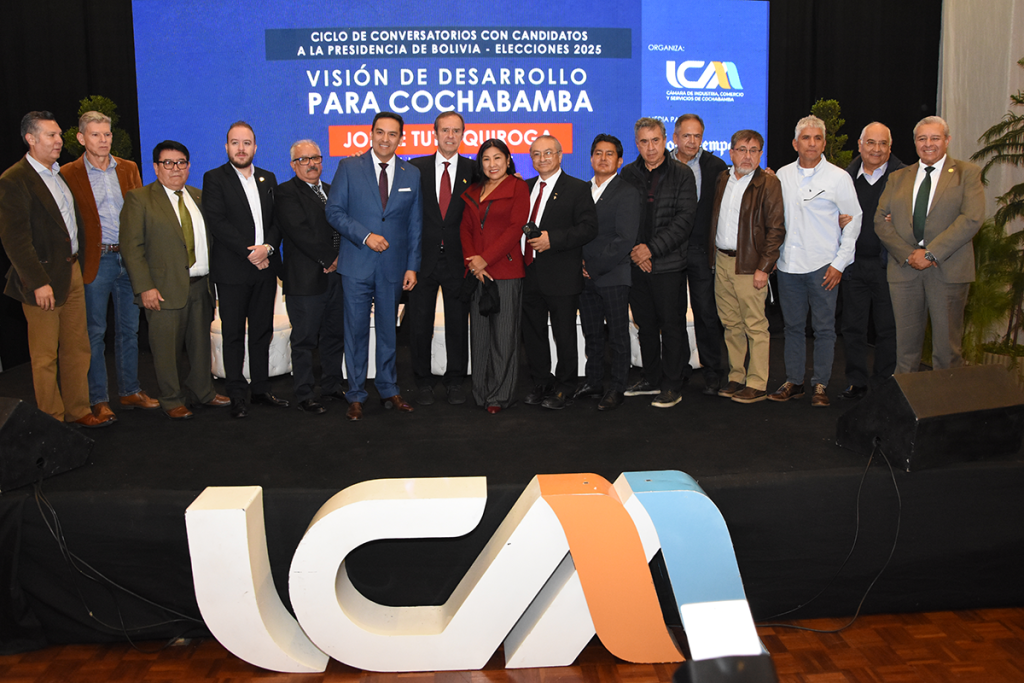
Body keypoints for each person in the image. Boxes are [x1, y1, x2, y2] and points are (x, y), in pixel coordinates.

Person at [0, 111, 109, 427]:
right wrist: (37, 282)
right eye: (51, 135)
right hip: (42, 280)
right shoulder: (14, 180)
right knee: (45, 356)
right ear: (30, 139)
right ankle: (52, 421)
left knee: (78, 348)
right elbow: (15, 240)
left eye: (60, 134)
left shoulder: (57, 174)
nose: (59, 141)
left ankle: (78, 410)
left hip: (72, 273)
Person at [119, 140, 230, 419]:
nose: (175, 168)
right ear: (156, 168)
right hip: (162, 290)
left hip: (201, 286)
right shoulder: (139, 199)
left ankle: (203, 392)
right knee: (166, 350)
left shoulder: (199, 197)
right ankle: (171, 399)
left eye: (181, 162)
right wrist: (145, 287)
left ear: (189, 166)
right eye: (168, 163)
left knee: (200, 346)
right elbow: (132, 248)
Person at [61, 111, 158, 423]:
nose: (103, 140)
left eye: (107, 134)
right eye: (95, 135)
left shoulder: (128, 168)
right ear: (81, 138)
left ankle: (130, 390)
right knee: (95, 332)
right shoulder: (68, 173)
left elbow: (140, 213)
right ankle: (99, 399)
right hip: (96, 261)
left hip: (129, 259)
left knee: (130, 329)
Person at [325, 111, 423, 421]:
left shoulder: (411, 173)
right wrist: (365, 236)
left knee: (388, 331)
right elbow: (334, 211)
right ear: (371, 133)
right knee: (355, 332)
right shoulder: (349, 167)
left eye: (392, 134)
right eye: (380, 132)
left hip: (393, 267)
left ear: (400, 138)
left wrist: (412, 266)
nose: (385, 139)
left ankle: (388, 388)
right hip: (357, 263)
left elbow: (415, 224)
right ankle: (355, 394)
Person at [875, 115, 985, 373]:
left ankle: (946, 399)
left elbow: (971, 218)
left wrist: (931, 253)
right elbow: (880, 220)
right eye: (922, 138)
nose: (928, 144)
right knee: (905, 352)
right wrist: (909, 254)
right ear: (915, 142)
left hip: (948, 270)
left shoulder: (967, 173)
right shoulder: (898, 177)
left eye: (935, 138)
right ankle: (906, 399)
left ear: (947, 140)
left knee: (947, 352)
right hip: (905, 270)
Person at [770, 115, 862, 407]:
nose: (811, 143)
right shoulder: (782, 175)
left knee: (824, 329)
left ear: (824, 143)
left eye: (817, 138)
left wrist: (839, 264)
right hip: (788, 265)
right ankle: (794, 382)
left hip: (824, 265)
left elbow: (854, 221)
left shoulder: (839, 177)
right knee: (792, 328)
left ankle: (820, 384)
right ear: (795, 143)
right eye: (806, 138)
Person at [203, 121, 287, 419]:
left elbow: (278, 221)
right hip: (233, 271)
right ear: (226, 147)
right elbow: (218, 222)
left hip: (265, 269)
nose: (241, 148)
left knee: (262, 331)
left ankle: (261, 389)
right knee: (234, 334)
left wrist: (268, 248)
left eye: (247, 143)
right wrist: (251, 252)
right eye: (235, 143)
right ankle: (237, 393)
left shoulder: (268, 178)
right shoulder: (214, 178)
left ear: (255, 147)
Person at [620, 117, 698, 408]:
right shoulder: (628, 173)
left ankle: (673, 384)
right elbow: (623, 218)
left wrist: (650, 250)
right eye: (644, 142)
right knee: (645, 325)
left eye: (655, 140)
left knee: (672, 325)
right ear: (636, 144)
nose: (650, 147)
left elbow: (684, 221)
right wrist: (636, 252)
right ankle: (651, 378)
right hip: (636, 264)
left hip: (668, 264)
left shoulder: (682, 174)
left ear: (665, 140)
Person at [708, 130, 785, 404]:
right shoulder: (723, 178)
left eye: (754, 151)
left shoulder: (768, 183)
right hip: (722, 261)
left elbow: (776, 229)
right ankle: (736, 376)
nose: (747, 156)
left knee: (755, 325)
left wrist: (764, 267)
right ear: (731, 153)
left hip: (750, 265)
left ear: (761, 155)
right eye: (742, 149)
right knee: (731, 324)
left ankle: (757, 382)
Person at [521, 135, 598, 410]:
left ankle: (566, 386)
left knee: (564, 335)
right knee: (533, 334)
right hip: (528, 273)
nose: (542, 158)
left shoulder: (577, 188)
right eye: (536, 154)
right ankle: (542, 382)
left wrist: (552, 239)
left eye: (548, 153)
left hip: (562, 275)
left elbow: (588, 228)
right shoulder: (525, 187)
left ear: (560, 155)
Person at [408, 112, 474, 406]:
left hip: (460, 260)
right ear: (434, 133)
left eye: (456, 130)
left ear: (463, 134)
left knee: (458, 324)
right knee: (419, 324)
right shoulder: (415, 167)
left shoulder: (474, 169)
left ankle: (456, 381)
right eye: (445, 130)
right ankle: (423, 382)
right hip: (421, 259)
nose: (450, 135)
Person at [459, 139, 529, 414]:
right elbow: (465, 229)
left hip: (505, 272)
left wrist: (485, 259)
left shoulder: (518, 187)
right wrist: (474, 263)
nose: (492, 164)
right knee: (479, 337)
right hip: (477, 274)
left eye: (497, 158)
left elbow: (515, 228)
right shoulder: (473, 190)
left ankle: (500, 395)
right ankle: (481, 392)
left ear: (508, 160)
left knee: (504, 337)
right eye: (486, 159)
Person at [274, 139, 343, 414]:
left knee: (334, 335)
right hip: (305, 280)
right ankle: (304, 394)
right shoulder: (285, 193)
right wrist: (331, 259)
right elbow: (300, 232)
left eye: (316, 158)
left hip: (337, 278)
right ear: (293, 165)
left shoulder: (332, 190)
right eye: (304, 159)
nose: (311, 164)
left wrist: (340, 261)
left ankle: (332, 386)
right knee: (304, 341)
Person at [840, 122, 905, 398]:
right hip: (853, 265)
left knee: (888, 328)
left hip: (888, 265)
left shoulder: (904, 177)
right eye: (870, 142)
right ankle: (857, 382)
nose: (876, 149)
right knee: (852, 327)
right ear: (860, 145)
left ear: (890, 147)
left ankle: (883, 386)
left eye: (882, 144)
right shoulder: (844, 177)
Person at [576, 134, 640, 411]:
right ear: (591, 158)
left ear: (620, 160)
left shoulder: (627, 192)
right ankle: (594, 382)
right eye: (598, 153)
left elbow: (625, 239)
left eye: (609, 154)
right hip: (582, 276)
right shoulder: (581, 190)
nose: (603, 158)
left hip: (613, 274)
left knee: (617, 335)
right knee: (592, 333)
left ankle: (617, 387)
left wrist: (592, 267)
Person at [670, 114, 729, 395]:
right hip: (669, 250)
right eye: (687, 136)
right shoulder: (662, 165)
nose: (692, 141)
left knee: (706, 313)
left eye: (697, 136)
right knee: (673, 314)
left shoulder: (716, 166)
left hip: (701, 250)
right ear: (675, 137)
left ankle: (714, 371)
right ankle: (679, 370)